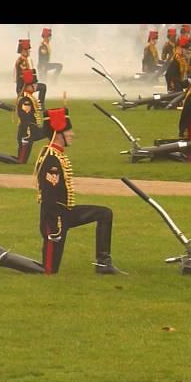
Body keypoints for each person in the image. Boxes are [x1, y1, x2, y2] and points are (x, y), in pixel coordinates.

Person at [33, 108, 123, 274]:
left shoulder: (57, 154)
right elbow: (49, 196)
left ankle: (103, 263)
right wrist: (55, 225)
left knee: (104, 214)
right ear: (59, 133)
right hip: (54, 218)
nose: (72, 134)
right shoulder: (51, 158)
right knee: (48, 269)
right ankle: (2, 257)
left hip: (65, 212)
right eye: (69, 131)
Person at [0, 69, 46, 165]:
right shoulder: (26, 100)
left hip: (31, 131)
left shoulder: (29, 97)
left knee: (49, 131)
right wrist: (28, 135)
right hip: (26, 134)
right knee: (20, 161)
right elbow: (26, 119)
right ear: (26, 86)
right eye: (32, 85)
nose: (35, 87)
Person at [15, 39, 47, 106]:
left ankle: (40, 105)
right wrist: (29, 86)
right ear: (23, 51)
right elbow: (24, 76)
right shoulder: (21, 61)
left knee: (43, 87)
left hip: (28, 85)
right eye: (27, 50)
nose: (29, 52)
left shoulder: (25, 60)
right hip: (23, 87)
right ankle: (40, 106)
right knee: (24, 108)